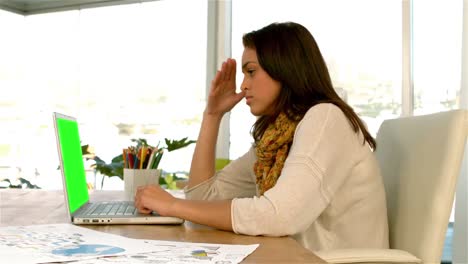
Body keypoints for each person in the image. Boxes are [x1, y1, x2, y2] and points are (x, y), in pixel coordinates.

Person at [135, 21, 389, 252]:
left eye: (251, 71)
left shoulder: (325, 119)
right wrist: (212, 116)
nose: (243, 85)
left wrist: (172, 206)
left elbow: (280, 215)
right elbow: (203, 199)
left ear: (284, 69)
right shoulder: (276, 138)